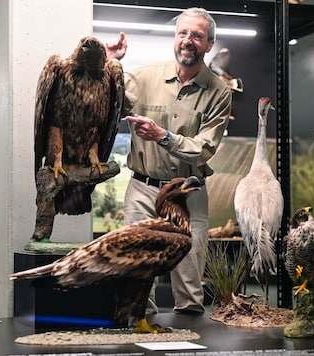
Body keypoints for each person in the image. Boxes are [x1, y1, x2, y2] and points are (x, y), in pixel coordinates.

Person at [106, 7, 232, 315]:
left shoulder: (219, 92)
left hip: (189, 196)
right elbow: (110, 100)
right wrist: (111, 63)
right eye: (183, 33)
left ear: (209, 44)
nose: (188, 40)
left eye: (197, 36)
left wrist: (164, 136)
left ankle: (188, 342)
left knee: (190, 284)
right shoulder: (144, 77)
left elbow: (204, 149)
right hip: (143, 192)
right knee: (137, 275)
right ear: (175, 38)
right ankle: (140, 336)